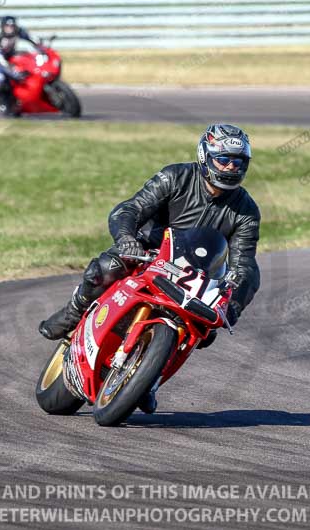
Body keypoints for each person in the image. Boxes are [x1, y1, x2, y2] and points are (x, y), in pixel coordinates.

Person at [39, 124, 261, 413]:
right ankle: (73, 313)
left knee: (207, 329)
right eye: (224, 160)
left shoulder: (246, 210)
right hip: (147, 253)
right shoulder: (175, 176)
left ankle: (148, 378)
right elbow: (129, 209)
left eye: (238, 162)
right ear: (205, 156)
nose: (231, 168)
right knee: (105, 268)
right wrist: (127, 239)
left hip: (194, 278)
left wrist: (231, 305)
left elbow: (244, 261)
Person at [0, 16, 39, 115]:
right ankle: (1, 103)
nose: (10, 28)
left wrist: (40, 46)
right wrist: (10, 69)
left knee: (29, 67)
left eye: (12, 26)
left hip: (12, 55)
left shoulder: (18, 30)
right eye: (7, 26)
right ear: (2, 26)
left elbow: (32, 38)